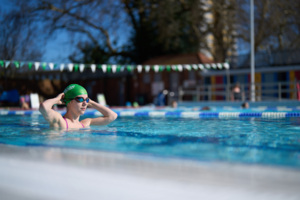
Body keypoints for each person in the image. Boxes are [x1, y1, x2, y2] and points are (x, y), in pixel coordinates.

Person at [39, 84, 118, 129]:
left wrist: (91, 102)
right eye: (80, 99)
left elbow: (112, 116)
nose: (84, 103)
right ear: (69, 102)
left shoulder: (85, 123)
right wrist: (57, 99)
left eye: (86, 99)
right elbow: (43, 107)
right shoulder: (60, 121)